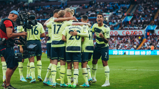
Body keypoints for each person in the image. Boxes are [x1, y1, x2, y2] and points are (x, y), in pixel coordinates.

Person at [0, 10, 27, 89]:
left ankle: (5, 82)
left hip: (6, 45)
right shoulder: (8, 21)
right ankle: (7, 85)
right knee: (11, 65)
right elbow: (9, 35)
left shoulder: (4, 21)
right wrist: (21, 33)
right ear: (12, 15)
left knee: (15, 64)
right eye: (16, 17)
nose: (16, 19)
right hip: (6, 46)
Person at [19, 12, 45, 83]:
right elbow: (43, 34)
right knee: (39, 59)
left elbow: (23, 35)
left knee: (31, 59)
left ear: (28, 19)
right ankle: (39, 75)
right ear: (35, 18)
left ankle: (33, 78)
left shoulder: (26, 25)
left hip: (30, 42)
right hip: (38, 42)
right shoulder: (39, 24)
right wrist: (36, 36)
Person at [62, 22, 89, 88]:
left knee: (69, 65)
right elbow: (85, 37)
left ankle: (68, 83)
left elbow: (62, 38)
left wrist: (68, 41)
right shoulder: (81, 28)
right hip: (77, 48)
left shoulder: (67, 28)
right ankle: (74, 83)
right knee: (76, 66)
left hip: (68, 48)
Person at [91, 12, 110, 87]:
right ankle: (93, 78)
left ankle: (107, 81)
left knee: (104, 62)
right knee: (94, 61)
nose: (99, 18)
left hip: (104, 47)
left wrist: (102, 37)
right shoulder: (94, 26)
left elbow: (107, 40)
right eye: (98, 17)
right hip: (97, 46)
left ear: (103, 19)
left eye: (100, 17)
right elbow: (91, 32)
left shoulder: (106, 28)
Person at [80, 15, 94, 87]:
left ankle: (86, 83)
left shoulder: (82, 27)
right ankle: (89, 77)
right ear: (87, 20)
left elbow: (82, 39)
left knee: (83, 64)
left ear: (82, 20)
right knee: (86, 63)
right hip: (91, 47)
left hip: (85, 47)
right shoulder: (89, 27)